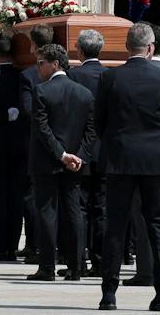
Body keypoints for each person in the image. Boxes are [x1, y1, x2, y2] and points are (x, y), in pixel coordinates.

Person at [95, 21, 160, 313]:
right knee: (159, 225)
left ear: (127, 47)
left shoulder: (110, 78)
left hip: (121, 160)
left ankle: (108, 294)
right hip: (157, 160)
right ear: (151, 48)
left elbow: (99, 121)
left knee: (116, 227)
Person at [26, 43, 94, 282]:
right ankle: (76, 267)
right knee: (74, 211)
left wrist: (62, 155)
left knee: (47, 212)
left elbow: (42, 129)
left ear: (55, 64)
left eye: (41, 63)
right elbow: (91, 131)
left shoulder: (41, 91)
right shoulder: (84, 93)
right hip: (74, 162)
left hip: (49, 161)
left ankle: (47, 266)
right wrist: (79, 156)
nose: (37, 68)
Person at [0, 32, 33, 261]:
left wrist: (1, 115)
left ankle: (0, 245)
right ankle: (13, 243)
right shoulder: (25, 76)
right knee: (16, 196)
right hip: (20, 146)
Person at [69, 28, 106, 275]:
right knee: (101, 208)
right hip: (105, 150)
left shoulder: (72, 76)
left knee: (79, 207)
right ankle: (100, 261)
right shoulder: (111, 75)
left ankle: (78, 261)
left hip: (78, 149)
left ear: (80, 51)